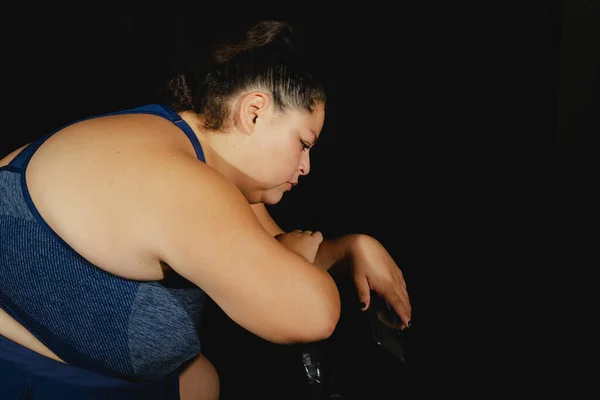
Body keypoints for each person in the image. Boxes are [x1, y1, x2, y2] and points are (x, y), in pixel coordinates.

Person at [0, 20, 411, 399]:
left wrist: (355, 246)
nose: (305, 166)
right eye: (303, 143)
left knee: (200, 379)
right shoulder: (179, 180)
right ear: (254, 112)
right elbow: (310, 313)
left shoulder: (204, 161)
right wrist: (291, 257)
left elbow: (271, 256)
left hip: (71, 379)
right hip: (18, 379)